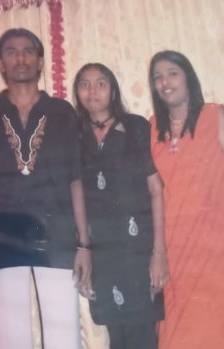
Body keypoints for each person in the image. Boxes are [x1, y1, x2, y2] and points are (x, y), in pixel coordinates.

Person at [0, 28, 91, 349]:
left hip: (59, 237)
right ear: (0, 63)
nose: (20, 58)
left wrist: (84, 245)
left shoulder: (62, 112)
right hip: (2, 239)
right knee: (12, 339)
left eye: (27, 51)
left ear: (40, 62)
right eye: (11, 51)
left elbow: (76, 179)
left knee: (64, 338)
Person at [73, 63, 169, 349]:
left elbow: (156, 189)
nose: (92, 91)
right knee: (117, 339)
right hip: (102, 255)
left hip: (139, 252)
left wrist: (159, 252)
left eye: (100, 83)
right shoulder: (74, 135)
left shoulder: (136, 127)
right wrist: (83, 250)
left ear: (113, 89)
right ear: (77, 92)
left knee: (143, 337)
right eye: (84, 84)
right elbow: (74, 194)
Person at [149, 50, 224, 349]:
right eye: (157, 77)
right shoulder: (152, 127)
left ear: (188, 77)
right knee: (175, 330)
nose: (164, 82)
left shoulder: (216, 116)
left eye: (172, 73)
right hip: (170, 248)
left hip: (213, 245)